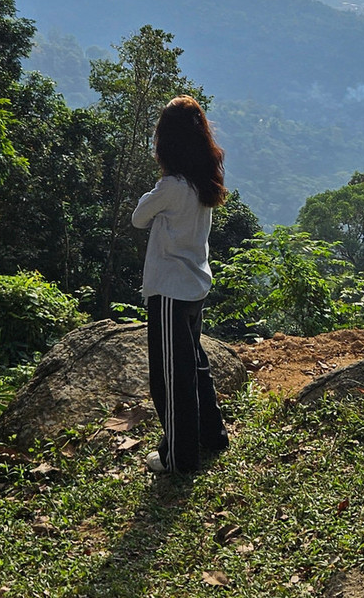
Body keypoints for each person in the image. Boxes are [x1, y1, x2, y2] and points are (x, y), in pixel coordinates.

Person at [132, 95, 230, 474]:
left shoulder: (171, 186)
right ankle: (212, 434)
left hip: (170, 291)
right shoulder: (204, 180)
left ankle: (179, 456)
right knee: (195, 367)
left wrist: (156, 189)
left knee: (170, 380)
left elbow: (139, 218)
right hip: (194, 287)